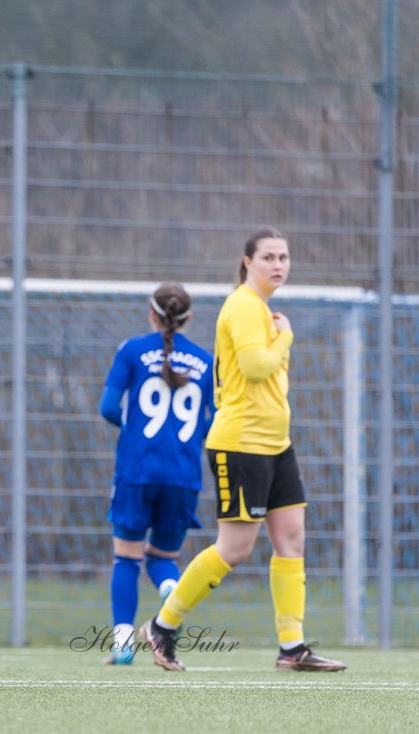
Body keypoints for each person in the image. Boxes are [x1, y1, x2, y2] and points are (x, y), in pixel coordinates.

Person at [141, 227, 347, 672]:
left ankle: (292, 647)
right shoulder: (243, 307)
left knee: (291, 539)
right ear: (246, 263)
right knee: (234, 549)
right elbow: (255, 368)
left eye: (284, 257)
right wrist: (286, 338)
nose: (278, 265)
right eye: (269, 257)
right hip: (241, 445)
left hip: (276, 445)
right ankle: (162, 625)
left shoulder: (262, 310)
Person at [98, 282, 212, 664]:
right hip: (183, 475)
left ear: (151, 314)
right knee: (163, 555)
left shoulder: (132, 351)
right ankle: (168, 587)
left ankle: (123, 644)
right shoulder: (205, 361)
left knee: (126, 558)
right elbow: (211, 422)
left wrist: (136, 430)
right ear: (188, 318)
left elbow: (109, 408)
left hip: (137, 471)